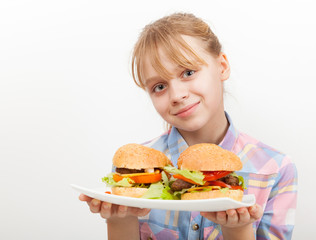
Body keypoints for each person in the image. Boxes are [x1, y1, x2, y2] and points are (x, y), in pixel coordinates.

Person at [79, 12, 298, 240]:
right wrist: (119, 219)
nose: (177, 95)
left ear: (222, 66)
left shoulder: (276, 170)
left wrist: (237, 229)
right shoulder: (134, 172)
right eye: (159, 86)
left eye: (188, 72)